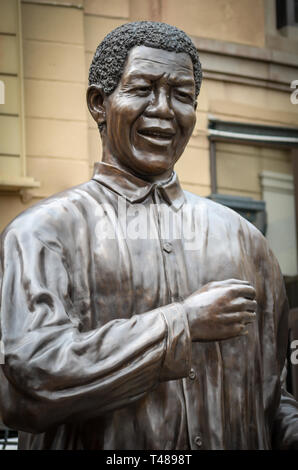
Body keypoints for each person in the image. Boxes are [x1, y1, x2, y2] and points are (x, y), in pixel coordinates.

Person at [0, 21, 298, 450]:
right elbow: (30, 382)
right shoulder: (41, 233)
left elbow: (271, 394)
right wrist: (182, 323)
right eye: (143, 89)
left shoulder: (245, 241)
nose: (163, 109)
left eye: (182, 95)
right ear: (99, 103)